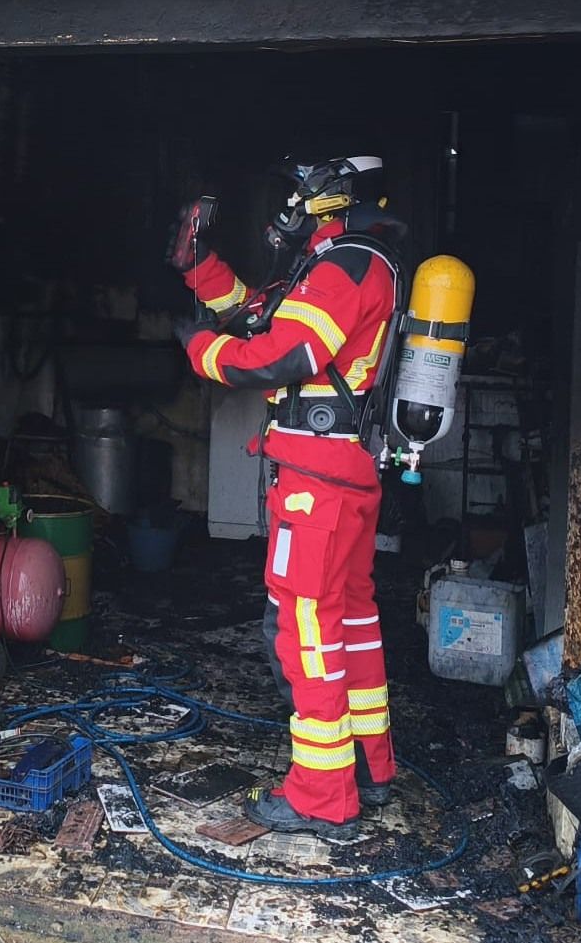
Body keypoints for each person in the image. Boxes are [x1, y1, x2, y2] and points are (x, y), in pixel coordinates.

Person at [167, 158, 401, 840]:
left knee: (307, 631)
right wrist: (197, 266)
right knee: (350, 621)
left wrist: (203, 353)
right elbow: (258, 312)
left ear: (324, 200)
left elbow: (282, 353)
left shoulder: (346, 266)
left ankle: (323, 799)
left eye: (294, 198)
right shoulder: (343, 262)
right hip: (338, 473)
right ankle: (368, 766)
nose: (285, 211)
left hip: (318, 482)